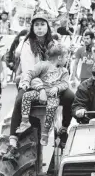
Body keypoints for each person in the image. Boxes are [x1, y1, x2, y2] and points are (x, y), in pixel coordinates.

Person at [7, 13, 74, 160]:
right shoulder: (27, 44)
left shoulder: (53, 43)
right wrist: (42, 89)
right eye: (36, 25)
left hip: (53, 83)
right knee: (19, 100)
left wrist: (66, 54)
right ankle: (12, 142)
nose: (39, 28)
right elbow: (30, 71)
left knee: (71, 97)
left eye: (42, 24)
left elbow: (59, 62)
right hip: (33, 82)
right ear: (32, 27)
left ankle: (64, 129)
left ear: (47, 27)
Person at [17, 44, 69, 146]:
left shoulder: (64, 71)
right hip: (40, 92)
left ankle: (45, 132)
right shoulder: (43, 65)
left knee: (52, 107)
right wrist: (26, 82)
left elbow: (65, 83)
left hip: (53, 95)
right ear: (59, 57)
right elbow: (30, 73)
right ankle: (25, 121)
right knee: (26, 96)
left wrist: (57, 88)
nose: (67, 60)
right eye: (66, 57)